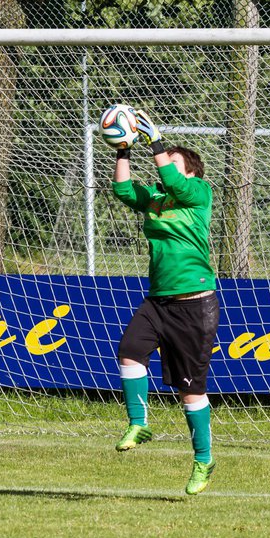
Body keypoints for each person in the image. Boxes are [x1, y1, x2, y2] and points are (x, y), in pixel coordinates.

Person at [109, 109, 220, 495]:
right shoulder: (156, 200)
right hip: (158, 301)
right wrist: (123, 149)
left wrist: (156, 143)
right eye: (164, 160)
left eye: (174, 163)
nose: (165, 169)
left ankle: (203, 460)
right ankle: (139, 423)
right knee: (129, 351)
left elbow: (173, 180)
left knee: (190, 391)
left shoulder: (199, 193)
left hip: (195, 304)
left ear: (191, 172)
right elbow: (124, 190)